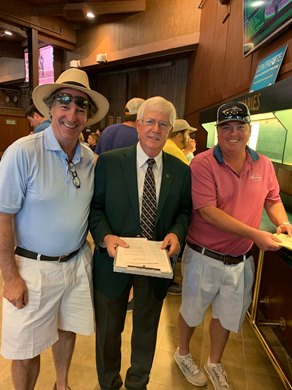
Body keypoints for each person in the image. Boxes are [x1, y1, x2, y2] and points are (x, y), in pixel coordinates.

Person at [0, 68, 109, 390]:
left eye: (81, 106)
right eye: (64, 103)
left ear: (88, 116)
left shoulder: (90, 159)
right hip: (31, 269)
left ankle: (62, 384)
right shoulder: (23, 152)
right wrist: (10, 277)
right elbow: (3, 217)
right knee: (25, 348)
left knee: (67, 328)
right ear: (50, 108)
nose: (72, 114)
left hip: (76, 264)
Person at [175, 101, 292, 390]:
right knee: (191, 311)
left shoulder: (262, 164)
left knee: (226, 317)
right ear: (218, 131)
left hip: (240, 260)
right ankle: (183, 353)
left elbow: (273, 198)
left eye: (240, 126)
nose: (233, 133)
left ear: (249, 130)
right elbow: (207, 211)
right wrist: (256, 234)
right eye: (226, 127)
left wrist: (282, 222)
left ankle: (214, 363)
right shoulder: (202, 163)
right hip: (204, 255)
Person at [89, 96, 192, 390]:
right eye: (149, 121)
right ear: (137, 125)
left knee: (146, 329)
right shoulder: (108, 163)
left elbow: (184, 212)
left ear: (170, 129)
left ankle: (138, 383)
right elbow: (95, 209)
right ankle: (108, 382)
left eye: (162, 124)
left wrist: (176, 233)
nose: (155, 129)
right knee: (108, 330)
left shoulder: (181, 170)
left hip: (155, 262)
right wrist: (106, 237)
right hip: (112, 260)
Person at [163, 118, 197, 295]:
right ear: (178, 135)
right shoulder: (172, 149)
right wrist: (190, 152)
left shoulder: (171, 148)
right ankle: (167, 282)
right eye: (187, 133)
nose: (189, 136)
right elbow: (190, 174)